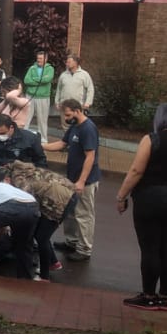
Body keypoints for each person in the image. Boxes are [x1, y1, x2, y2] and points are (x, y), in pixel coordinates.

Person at [115, 103, 167, 311]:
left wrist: (121, 195)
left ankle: (148, 295)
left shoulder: (151, 139)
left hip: (150, 197)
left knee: (150, 247)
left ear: (160, 118)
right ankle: (164, 297)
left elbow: (136, 170)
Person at [42, 99, 100, 261]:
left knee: (83, 214)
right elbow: (62, 143)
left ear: (77, 111)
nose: (65, 118)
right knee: (70, 211)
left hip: (85, 180)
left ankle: (84, 249)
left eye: (68, 114)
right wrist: (42, 146)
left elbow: (90, 157)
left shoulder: (88, 129)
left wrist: (81, 181)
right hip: (72, 177)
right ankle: (72, 242)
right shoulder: (74, 126)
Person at [3, 160, 77, 281]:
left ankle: (44, 276)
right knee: (41, 233)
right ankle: (53, 262)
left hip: (59, 201)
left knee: (42, 237)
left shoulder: (19, 182)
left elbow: (28, 204)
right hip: (67, 194)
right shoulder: (20, 170)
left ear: (6, 179)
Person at [22, 51, 56, 143]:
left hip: (43, 97)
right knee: (25, 117)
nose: (38, 60)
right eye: (38, 58)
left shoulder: (50, 69)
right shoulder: (32, 68)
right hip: (30, 96)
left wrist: (34, 79)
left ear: (46, 59)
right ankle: (22, 136)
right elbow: (26, 80)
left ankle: (43, 139)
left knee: (42, 119)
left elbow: (47, 79)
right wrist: (39, 80)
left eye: (40, 58)